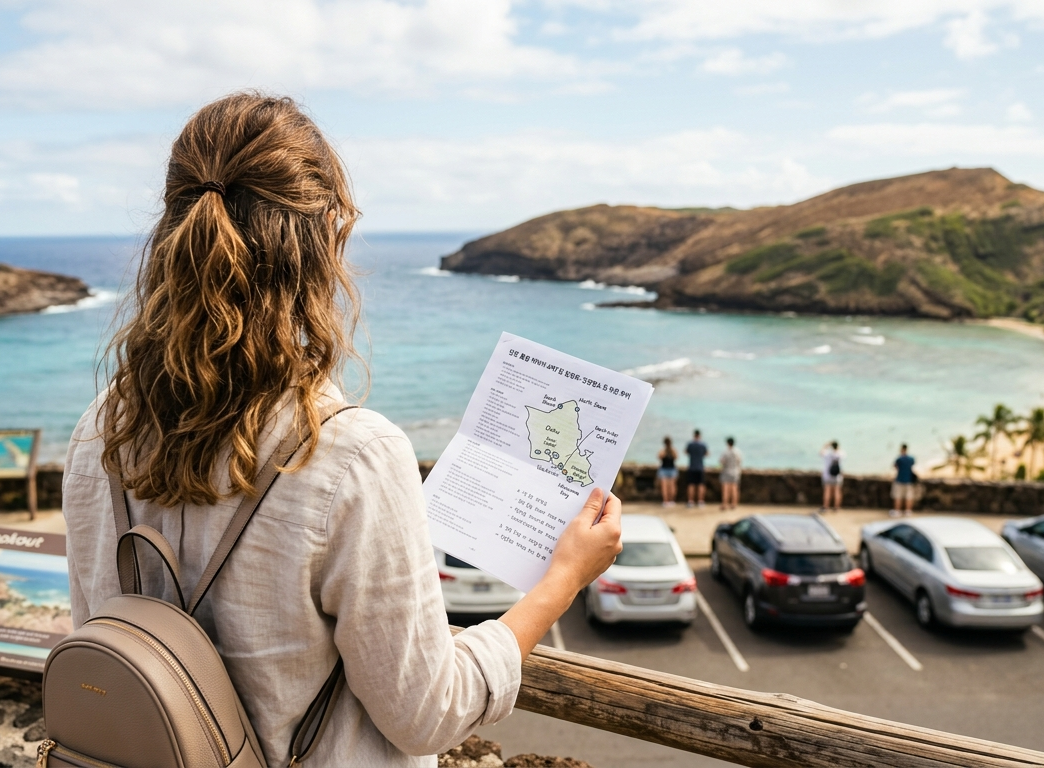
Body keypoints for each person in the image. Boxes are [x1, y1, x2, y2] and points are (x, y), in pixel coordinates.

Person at [61, 93, 623, 767]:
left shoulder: (101, 432)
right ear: (321, 241)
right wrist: (562, 580)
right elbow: (427, 714)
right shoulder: (353, 456)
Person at [892, 443, 918, 517]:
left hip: (900, 480)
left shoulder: (899, 459)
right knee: (909, 497)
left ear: (901, 449)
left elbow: (895, 466)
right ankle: (908, 511)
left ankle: (897, 511)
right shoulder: (911, 458)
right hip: (909, 480)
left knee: (898, 496)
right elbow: (913, 464)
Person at [685, 429, 708, 507]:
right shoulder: (703, 445)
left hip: (692, 467)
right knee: (701, 485)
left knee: (691, 485)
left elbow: (686, 452)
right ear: (699, 435)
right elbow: (706, 454)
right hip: (700, 467)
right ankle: (700, 501)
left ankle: (690, 501)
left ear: (694, 435)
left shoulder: (690, 444)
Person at [719, 437, 742, 511]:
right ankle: (734, 504)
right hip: (735, 472)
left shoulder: (725, 452)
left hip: (726, 471)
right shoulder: (737, 451)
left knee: (725, 489)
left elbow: (722, 461)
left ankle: (724, 504)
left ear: (727, 443)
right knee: (734, 488)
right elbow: (739, 461)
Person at [820, 440, 843, 512]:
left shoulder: (828, 454)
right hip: (837, 476)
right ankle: (836, 507)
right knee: (837, 491)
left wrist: (826, 446)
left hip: (827, 476)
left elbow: (821, 453)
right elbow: (842, 454)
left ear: (831, 447)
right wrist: (837, 448)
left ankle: (825, 507)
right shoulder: (840, 454)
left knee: (827, 491)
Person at [657, 436, 678, 507]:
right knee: (668, 486)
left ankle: (667, 501)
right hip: (669, 469)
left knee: (668, 486)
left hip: (667, 469)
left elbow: (659, 457)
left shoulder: (667, 450)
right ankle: (669, 501)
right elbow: (676, 457)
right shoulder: (671, 450)